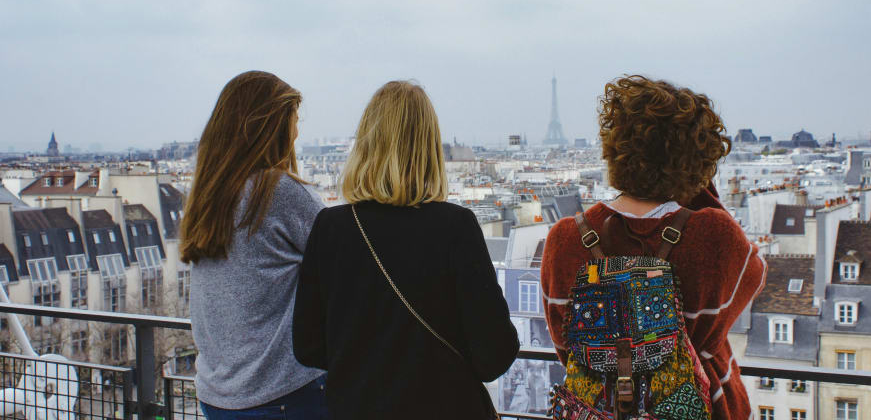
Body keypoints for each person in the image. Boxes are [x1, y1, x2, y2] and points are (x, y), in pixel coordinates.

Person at [541, 75, 767, 420]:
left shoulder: (565, 239)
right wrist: (701, 193)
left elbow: (565, 347)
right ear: (698, 162)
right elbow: (754, 277)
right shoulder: (714, 235)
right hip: (703, 406)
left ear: (614, 148)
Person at [293, 80, 520, 419]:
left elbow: (308, 346)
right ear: (429, 147)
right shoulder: (456, 227)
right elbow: (494, 356)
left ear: (366, 144)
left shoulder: (331, 227)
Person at [181, 71, 327, 420]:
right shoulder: (279, 193)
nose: (296, 133)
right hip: (281, 394)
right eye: (292, 122)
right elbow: (345, 263)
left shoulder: (209, 195)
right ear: (270, 128)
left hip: (219, 395)